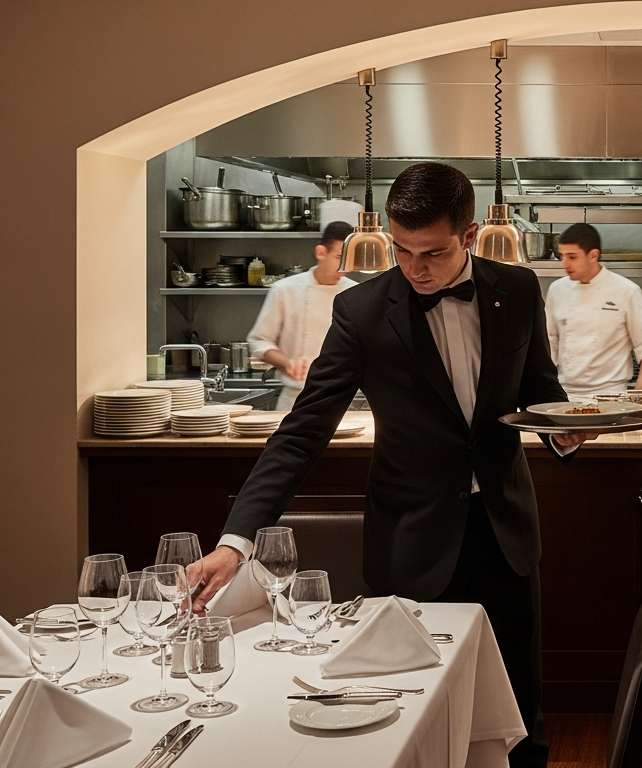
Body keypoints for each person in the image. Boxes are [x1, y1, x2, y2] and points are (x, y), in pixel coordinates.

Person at [186, 162, 591, 768]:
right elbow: (302, 430)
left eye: (433, 253)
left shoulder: (518, 288)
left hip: (505, 534)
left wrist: (566, 431)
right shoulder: (362, 311)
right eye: (402, 250)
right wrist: (235, 542)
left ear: (470, 235)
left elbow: (539, 388)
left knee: (519, 718)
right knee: (408, 710)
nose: (414, 267)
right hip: (412, 542)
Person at [247, 221, 358, 410]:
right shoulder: (285, 290)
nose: (344, 268)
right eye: (339, 257)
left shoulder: (356, 292)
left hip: (343, 401)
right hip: (295, 400)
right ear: (321, 252)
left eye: (349, 260)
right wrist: (287, 363)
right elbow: (259, 341)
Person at [544, 223, 642, 398]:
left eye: (572, 257)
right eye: (562, 256)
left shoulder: (626, 290)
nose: (565, 264)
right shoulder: (557, 290)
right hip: (564, 394)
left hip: (611, 396)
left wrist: (638, 395)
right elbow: (549, 343)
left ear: (593, 255)